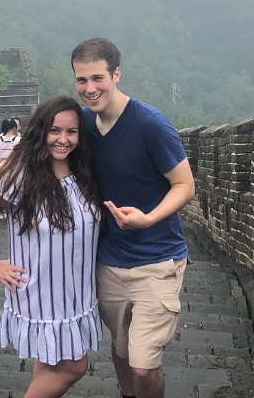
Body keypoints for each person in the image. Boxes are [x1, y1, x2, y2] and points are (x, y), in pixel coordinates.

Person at [72, 37, 195, 398]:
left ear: (116, 74)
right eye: (82, 80)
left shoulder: (150, 124)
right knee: (122, 351)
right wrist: (1, 169)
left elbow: (185, 185)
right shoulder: (82, 123)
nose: (90, 89)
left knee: (143, 366)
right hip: (108, 262)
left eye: (98, 78)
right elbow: (44, 147)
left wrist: (149, 218)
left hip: (157, 260)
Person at [0, 95, 102, 398]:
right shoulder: (21, 175)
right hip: (41, 292)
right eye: (54, 130)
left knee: (50, 362)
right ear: (41, 131)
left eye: (71, 132)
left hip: (76, 293)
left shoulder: (84, 172)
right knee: (74, 367)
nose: (62, 139)